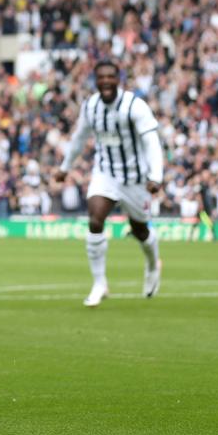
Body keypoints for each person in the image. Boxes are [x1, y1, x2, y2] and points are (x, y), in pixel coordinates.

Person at [51, 60, 163, 307]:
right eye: (101, 77)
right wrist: (65, 168)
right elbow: (79, 138)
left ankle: (153, 265)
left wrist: (156, 175)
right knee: (95, 220)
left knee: (140, 230)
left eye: (110, 77)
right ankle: (99, 283)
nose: (106, 82)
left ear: (118, 79)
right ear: (96, 80)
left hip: (135, 178)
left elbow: (151, 141)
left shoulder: (134, 106)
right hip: (105, 174)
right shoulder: (91, 106)